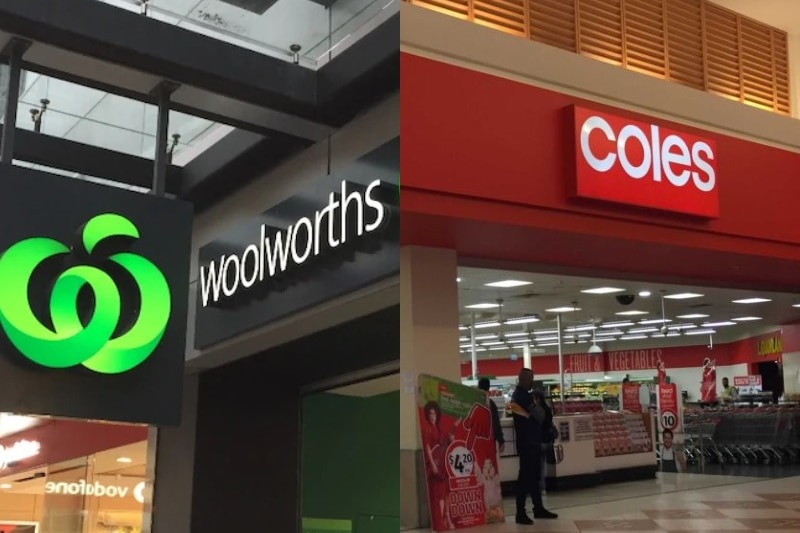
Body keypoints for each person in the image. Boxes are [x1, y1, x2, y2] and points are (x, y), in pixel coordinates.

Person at [507, 368, 558, 525]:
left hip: (530, 442)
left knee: (534, 476)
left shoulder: (521, 396)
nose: (532, 382)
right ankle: (520, 513)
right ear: (523, 379)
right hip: (528, 443)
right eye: (530, 379)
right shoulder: (522, 396)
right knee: (525, 478)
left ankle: (538, 508)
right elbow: (540, 415)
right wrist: (539, 409)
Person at [420, 401, 454, 530]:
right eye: (430, 413)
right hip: (434, 466)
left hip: (442, 466)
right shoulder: (427, 429)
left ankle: (447, 518)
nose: (432, 416)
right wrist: (433, 464)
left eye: (434, 413)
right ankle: (440, 521)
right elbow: (428, 448)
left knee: (446, 492)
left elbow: (446, 442)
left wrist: (451, 439)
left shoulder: (440, 429)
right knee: (439, 494)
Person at [478, 377, 505, 453]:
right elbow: (495, 423)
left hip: (476, 440)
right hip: (489, 439)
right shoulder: (491, 404)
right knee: (489, 462)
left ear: (478, 386)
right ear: (489, 387)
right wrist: (500, 440)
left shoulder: (474, 402)